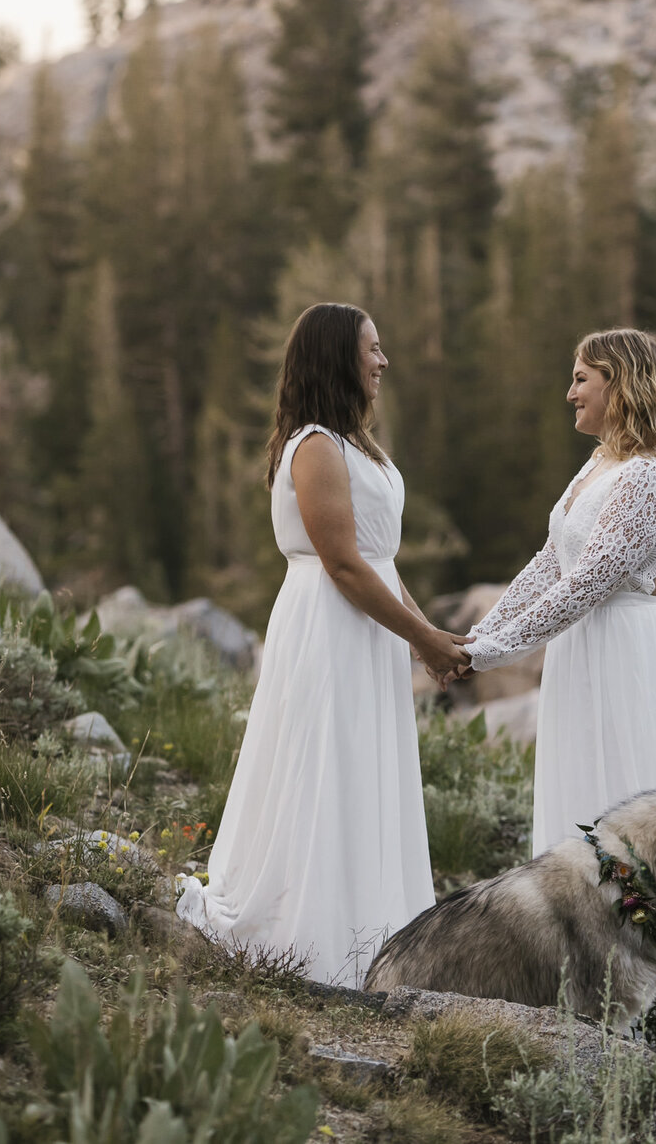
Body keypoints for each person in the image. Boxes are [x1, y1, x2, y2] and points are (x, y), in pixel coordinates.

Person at [177, 303, 469, 984]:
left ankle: (371, 925)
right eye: (372, 348)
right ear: (338, 357)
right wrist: (422, 638)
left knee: (362, 765)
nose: (383, 360)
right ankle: (311, 931)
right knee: (325, 764)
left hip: (365, 627)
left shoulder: (355, 442)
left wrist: (427, 635)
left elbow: (380, 559)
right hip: (328, 625)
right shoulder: (314, 446)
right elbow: (342, 564)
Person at [454, 327, 656, 857]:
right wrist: (478, 635)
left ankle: (631, 925)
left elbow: (586, 584)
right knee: (577, 785)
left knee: (622, 795)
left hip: (623, 650)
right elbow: (551, 562)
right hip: (579, 649)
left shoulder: (648, 475)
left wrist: (489, 655)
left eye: (581, 379)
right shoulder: (599, 463)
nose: (570, 393)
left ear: (621, 384)